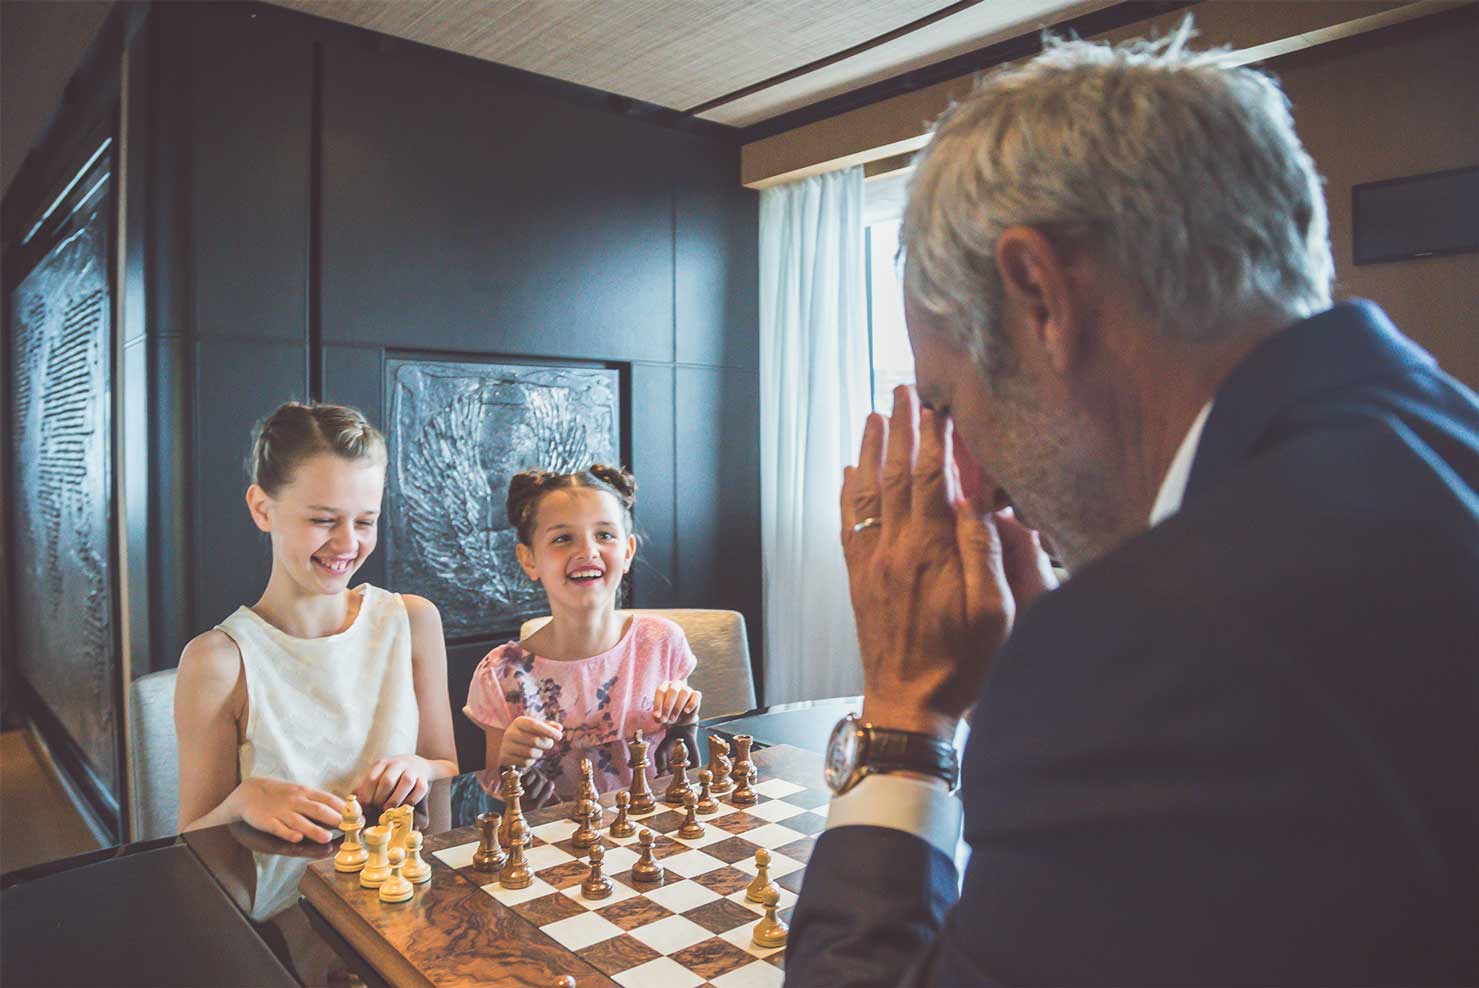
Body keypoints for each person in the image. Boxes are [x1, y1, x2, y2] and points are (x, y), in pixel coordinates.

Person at [787, 26, 1479, 987]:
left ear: (1038, 295)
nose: (975, 489)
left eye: (949, 405)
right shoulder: (1444, 438)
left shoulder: (1155, 639)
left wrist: (905, 724)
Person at [175, 402, 459, 843]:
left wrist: (421, 768)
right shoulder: (218, 661)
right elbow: (189, 839)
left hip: (404, 890)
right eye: (323, 520)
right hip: (286, 906)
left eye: (365, 521)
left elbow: (447, 769)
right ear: (262, 509)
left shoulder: (414, 622)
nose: (347, 543)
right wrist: (244, 801)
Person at [464, 466, 702, 800]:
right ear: (529, 559)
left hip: (652, 831)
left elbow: (686, 763)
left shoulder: (663, 642)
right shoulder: (500, 673)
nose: (587, 551)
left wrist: (686, 721)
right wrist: (511, 761)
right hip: (559, 845)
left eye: (604, 535)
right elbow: (497, 789)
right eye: (562, 538)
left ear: (628, 552)